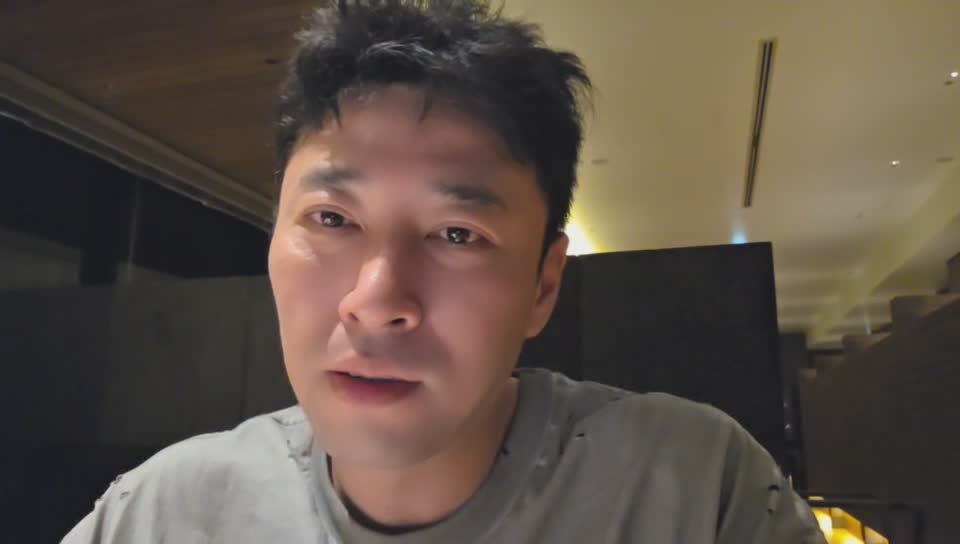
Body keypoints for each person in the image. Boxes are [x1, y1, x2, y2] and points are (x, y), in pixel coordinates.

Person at [63, 1, 826, 542]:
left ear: (543, 286)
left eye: (458, 233)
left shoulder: (691, 493)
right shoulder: (161, 515)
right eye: (332, 219)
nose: (376, 301)